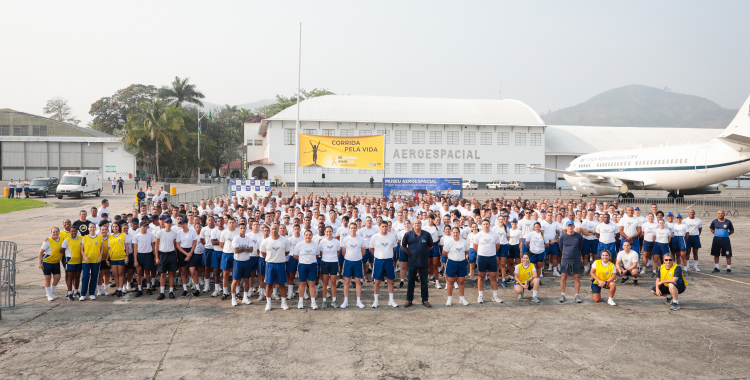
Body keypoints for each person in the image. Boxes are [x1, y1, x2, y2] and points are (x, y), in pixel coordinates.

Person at [401, 217, 433, 308]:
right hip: (412, 262)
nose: (417, 225)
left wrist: (423, 252)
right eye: (415, 223)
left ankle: (425, 300)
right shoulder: (408, 234)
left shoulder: (426, 235)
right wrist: (410, 253)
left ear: (421, 224)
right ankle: (409, 299)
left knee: (424, 282)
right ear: (413, 225)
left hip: (423, 261)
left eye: (418, 223)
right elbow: (404, 246)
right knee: (411, 281)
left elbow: (430, 246)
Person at [260, 224, 291, 311]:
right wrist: (271, 258)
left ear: (278, 229)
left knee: (282, 284)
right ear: (270, 230)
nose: (274, 230)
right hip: (270, 264)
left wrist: (278, 257)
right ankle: (268, 303)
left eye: (276, 229)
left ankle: (284, 303)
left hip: (280, 264)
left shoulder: (285, 240)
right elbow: (263, 253)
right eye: (272, 229)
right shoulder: (266, 241)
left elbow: (287, 252)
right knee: (269, 284)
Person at [369, 221, 399, 308]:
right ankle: (376, 301)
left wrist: (387, 254)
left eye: (386, 226)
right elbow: (371, 248)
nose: (384, 228)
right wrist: (378, 255)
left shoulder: (392, 237)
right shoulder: (375, 237)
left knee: (390, 281)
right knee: (377, 281)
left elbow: (394, 248)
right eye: (383, 226)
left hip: (389, 261)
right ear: (379, 227)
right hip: (378, 261)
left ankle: (391, 300)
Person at [474, 219, 502, 304]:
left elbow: (497, 246)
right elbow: (475, 247)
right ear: (481, 225)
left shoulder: (495, 235)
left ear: (490, 224)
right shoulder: (478, 235)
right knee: (481, 277)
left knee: (493, 277)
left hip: (492, 258)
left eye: (487, 224)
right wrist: (482, 253)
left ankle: (495, 296)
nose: (485, 225)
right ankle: (480, 296)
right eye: (484, 224)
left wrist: (490, 253)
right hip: (482, 258)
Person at [442, 227, 470, 306]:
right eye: (454, 232)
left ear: (459, 233)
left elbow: (466, 251)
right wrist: (452, 258)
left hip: (461, 263)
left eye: (457, 232)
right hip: (451, 263)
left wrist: (460, 257)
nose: (455, 234)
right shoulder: (449, 242)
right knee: (450, 282)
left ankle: (462, 298)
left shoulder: (464, 242)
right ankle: (449, 299)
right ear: (451, 233)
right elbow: (444, 253)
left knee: (461, 282)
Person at [341, 223, 366, 309]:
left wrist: (357, 257)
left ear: (356, 229)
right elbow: (343, 252)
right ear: (349, 229)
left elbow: (363, 252)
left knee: (358, 281)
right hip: (348, 262)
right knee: (347, 281)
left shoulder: (361, 239)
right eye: (351, 228)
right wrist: (350, 257)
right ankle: (346, 301)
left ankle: (358, 301)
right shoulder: (345, 239)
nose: (353, 229)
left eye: (354, 228)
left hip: (358, 262)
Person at [558, 221, 583, 303]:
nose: (570, 227)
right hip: (565, 259)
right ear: (566, 227)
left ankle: (577, 295)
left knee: (576, 277)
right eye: (568, 226)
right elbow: (561, 247)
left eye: (571, 226)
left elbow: (580, 247)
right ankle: (562, 295)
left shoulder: (579, 236)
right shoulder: (562, 237)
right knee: (563, 277)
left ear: (574, 226)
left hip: (576, 259)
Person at [231, 223, 256, 306]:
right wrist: (246, 249)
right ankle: (233, 298)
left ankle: (245, 297)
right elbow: (236, 250)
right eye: (241, 228)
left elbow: (251, 249)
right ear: (238, 229)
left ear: (246, 229)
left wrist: (241, 248)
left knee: (246, 280)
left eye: (244, 228)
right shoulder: (236, 238)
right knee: (235, 280)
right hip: (238, 262)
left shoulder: (248, 238)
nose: (243, 229)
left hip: (247, 261)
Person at [294, 230, 320, 309]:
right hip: (302, 266)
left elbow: (317, 255)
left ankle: (313, 302)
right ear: (304, 236)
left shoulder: (315, 244)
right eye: (306, 235)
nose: (308, 236)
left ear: (312, 236)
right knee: (302, 284)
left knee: (312, 284)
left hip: (312, 266)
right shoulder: (299, 244)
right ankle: (300, 301)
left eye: (310, 235)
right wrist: (303, 259)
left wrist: (309, 260)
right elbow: (295, 255)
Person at [176, 218, 201, 297]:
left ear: (187, 223)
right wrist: (186, 254)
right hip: (182, 252)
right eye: (181, 224)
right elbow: (177, 245)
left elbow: (194, 243)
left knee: (193, 271)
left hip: (190, 251)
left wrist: (190, 253)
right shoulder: (179, 232)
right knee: (183, 272)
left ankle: (198, 289)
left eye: (183, 223)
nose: (182, 225)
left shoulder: (192, 231)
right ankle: (185, 289)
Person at [155, 217, 178, 300]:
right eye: (167, 222)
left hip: (171, 254)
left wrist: (176, 256)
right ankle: (162, 292)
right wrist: (157, 257)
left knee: (172, 273)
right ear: (164, 223)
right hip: (162, 254)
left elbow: (175, 246)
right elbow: (156, 245)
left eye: (170, 223)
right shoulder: (160, 232)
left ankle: (171, 291)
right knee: (163, 274)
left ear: (171, 224)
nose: (168, 224)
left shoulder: (174, 233)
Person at [319, 226, 341, 308]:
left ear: (332, 232)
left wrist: (333, 258)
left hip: (334, 263)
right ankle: (324, 301)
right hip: (325, 262)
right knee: (325, 283)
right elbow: (321, 253)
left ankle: (334, 301)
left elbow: (338, 252)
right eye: (327, 231)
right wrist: (326, 258)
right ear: (325, 232)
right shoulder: (322, 242)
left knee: (333, 283)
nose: (328, 233)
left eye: (330, 231)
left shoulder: (336, 242)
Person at [38, 227, 63, 301]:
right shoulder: (48, 241)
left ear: (59, 232)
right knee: (47, 278)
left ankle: (51, 292)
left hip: (56, 262)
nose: (55, 233)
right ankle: (49, 295)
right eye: (53, 232)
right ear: (51, 233)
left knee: (57, 278)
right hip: (47, 262)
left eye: (56, 232)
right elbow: (41, 252)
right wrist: (40, 263)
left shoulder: (62, 239)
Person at [133, 220, 157, 297]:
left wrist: (155, 257)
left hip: (148, 255)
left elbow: (153, 246)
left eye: (146, 226)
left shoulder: (150, 235)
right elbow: (135, 249)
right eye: (144, 226)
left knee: (147, 272)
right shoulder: (136, 236)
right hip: (140, 255)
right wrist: (135, 260)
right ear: (140, 227)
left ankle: (148, 288)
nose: (145, 227)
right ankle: (140, 289)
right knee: (139, 272)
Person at [80, 222, 103, 300]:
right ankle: (83, 294)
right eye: (91, 227)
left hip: (96, 260)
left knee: (94, 277)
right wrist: (85, 257)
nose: (92, 228)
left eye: (93, 227)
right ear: (88, 228)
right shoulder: (85, 237)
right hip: (86, 260)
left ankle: (92, 293)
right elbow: (81, 249)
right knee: (85, 277)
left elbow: (101, 248)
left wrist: (100, 257)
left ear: (95, 228)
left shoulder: (100, 237)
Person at [218, 218, 240, 300]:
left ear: (235, 223)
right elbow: (221, 244)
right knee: (225, 274)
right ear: (227, 223)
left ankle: (237, 292)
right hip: (226, 254)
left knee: (236, 274)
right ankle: (225, 293)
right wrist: (227, 250)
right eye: (230, 222)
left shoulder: (238, 233)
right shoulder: (224, 232)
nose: (231, 224)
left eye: (233, 222)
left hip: (236, 255)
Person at [61, 227, 83, 300]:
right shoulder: (67, 240)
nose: (73, 232)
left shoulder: (81, 238)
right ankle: (70, 293)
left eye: (75, 231)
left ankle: (76, 291)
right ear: (70, 232)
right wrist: (68, 255)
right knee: (70, 277)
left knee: (77, 277)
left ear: (77, 231)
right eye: (72, 231)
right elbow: (62, 250)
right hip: (70, 261)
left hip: (79, 261)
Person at [107, 222, 128, 297]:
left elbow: (127, 246)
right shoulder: (110, 236)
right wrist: (107, 259)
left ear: (119, 227)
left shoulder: (123, 235)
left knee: (121, 274)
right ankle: (117, 288)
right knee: (115, 274)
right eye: (113, 226)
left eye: (116, 226)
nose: (115, 228)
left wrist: (127, 256)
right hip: (113, 258)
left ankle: (120, 289)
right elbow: (109, 249)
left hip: (121, 257)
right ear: (111, 228)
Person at [709, 210, 733, 275]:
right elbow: (711, 229)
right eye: (719, 213)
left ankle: (728, 269)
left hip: (725, 240)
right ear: (717, 214)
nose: (720, 214)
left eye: (722, 213)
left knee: (728, 254)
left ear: (724, 214)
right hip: (716, 240)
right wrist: (716, 233)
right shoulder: (714, 222)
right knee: (716, 254)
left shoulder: (728, 222)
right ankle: (717, 268)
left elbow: (732, 230)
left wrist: (725, 234)